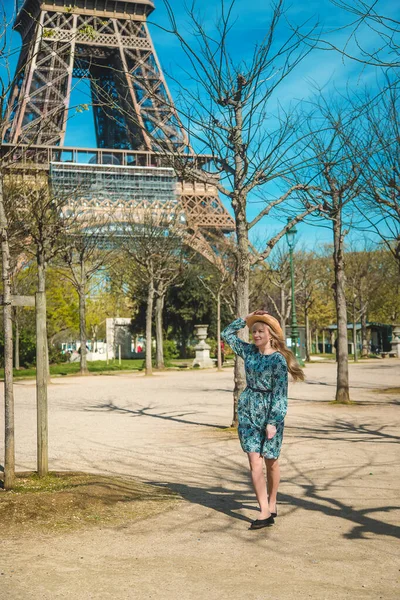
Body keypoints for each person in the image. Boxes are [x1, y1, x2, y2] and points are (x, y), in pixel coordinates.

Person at [221, 309, 304, 530]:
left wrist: (273, 421)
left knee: (271, 461)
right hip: (248, 410)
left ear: (271, 335)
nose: (256, 335)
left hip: (269, 413)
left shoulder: (278, 360)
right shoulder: (248, 352)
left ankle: (273, 500)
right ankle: (264, 510)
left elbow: (280, 393)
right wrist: (246, 319)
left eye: (260, 331)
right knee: (254, 461)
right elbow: (226, 334)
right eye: (254, 331)